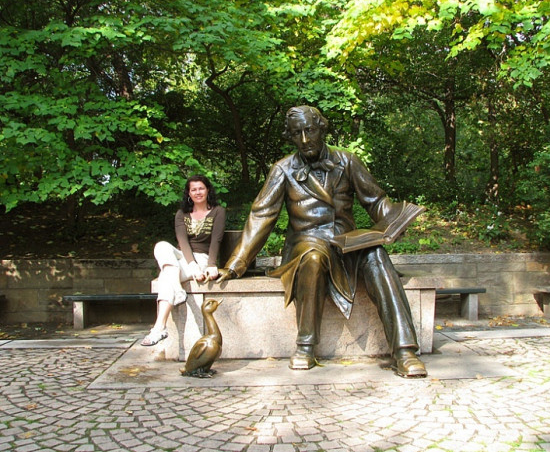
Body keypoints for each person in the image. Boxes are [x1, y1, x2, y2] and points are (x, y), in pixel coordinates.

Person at [219, 106, 427, 378]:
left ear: (322, 128)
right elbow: (261, 217)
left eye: (310, 130)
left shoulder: (348, 161)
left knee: (376, 254)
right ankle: (306, 346)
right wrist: (236, 264)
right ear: (290, 137)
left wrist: (396, 221)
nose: (305, 139)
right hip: (307, 242)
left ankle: (404, 351)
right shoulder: (282, 169)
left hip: (345, 244)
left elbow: (376, 202)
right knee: (313, 258)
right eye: (297, 134)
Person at [141, 175, 226, 346]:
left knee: (166, 276)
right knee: (161, 246)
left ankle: (159, 328)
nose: (197, 192)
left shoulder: (218, 211)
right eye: (193, 189)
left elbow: (216, 240)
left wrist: (211, 265)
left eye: (201, 188)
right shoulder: (182, 214)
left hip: (202, 258)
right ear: (188, 193)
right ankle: (178, 291)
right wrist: (191, 265)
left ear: (208, 189)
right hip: (183, 257)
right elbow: (182, 242)